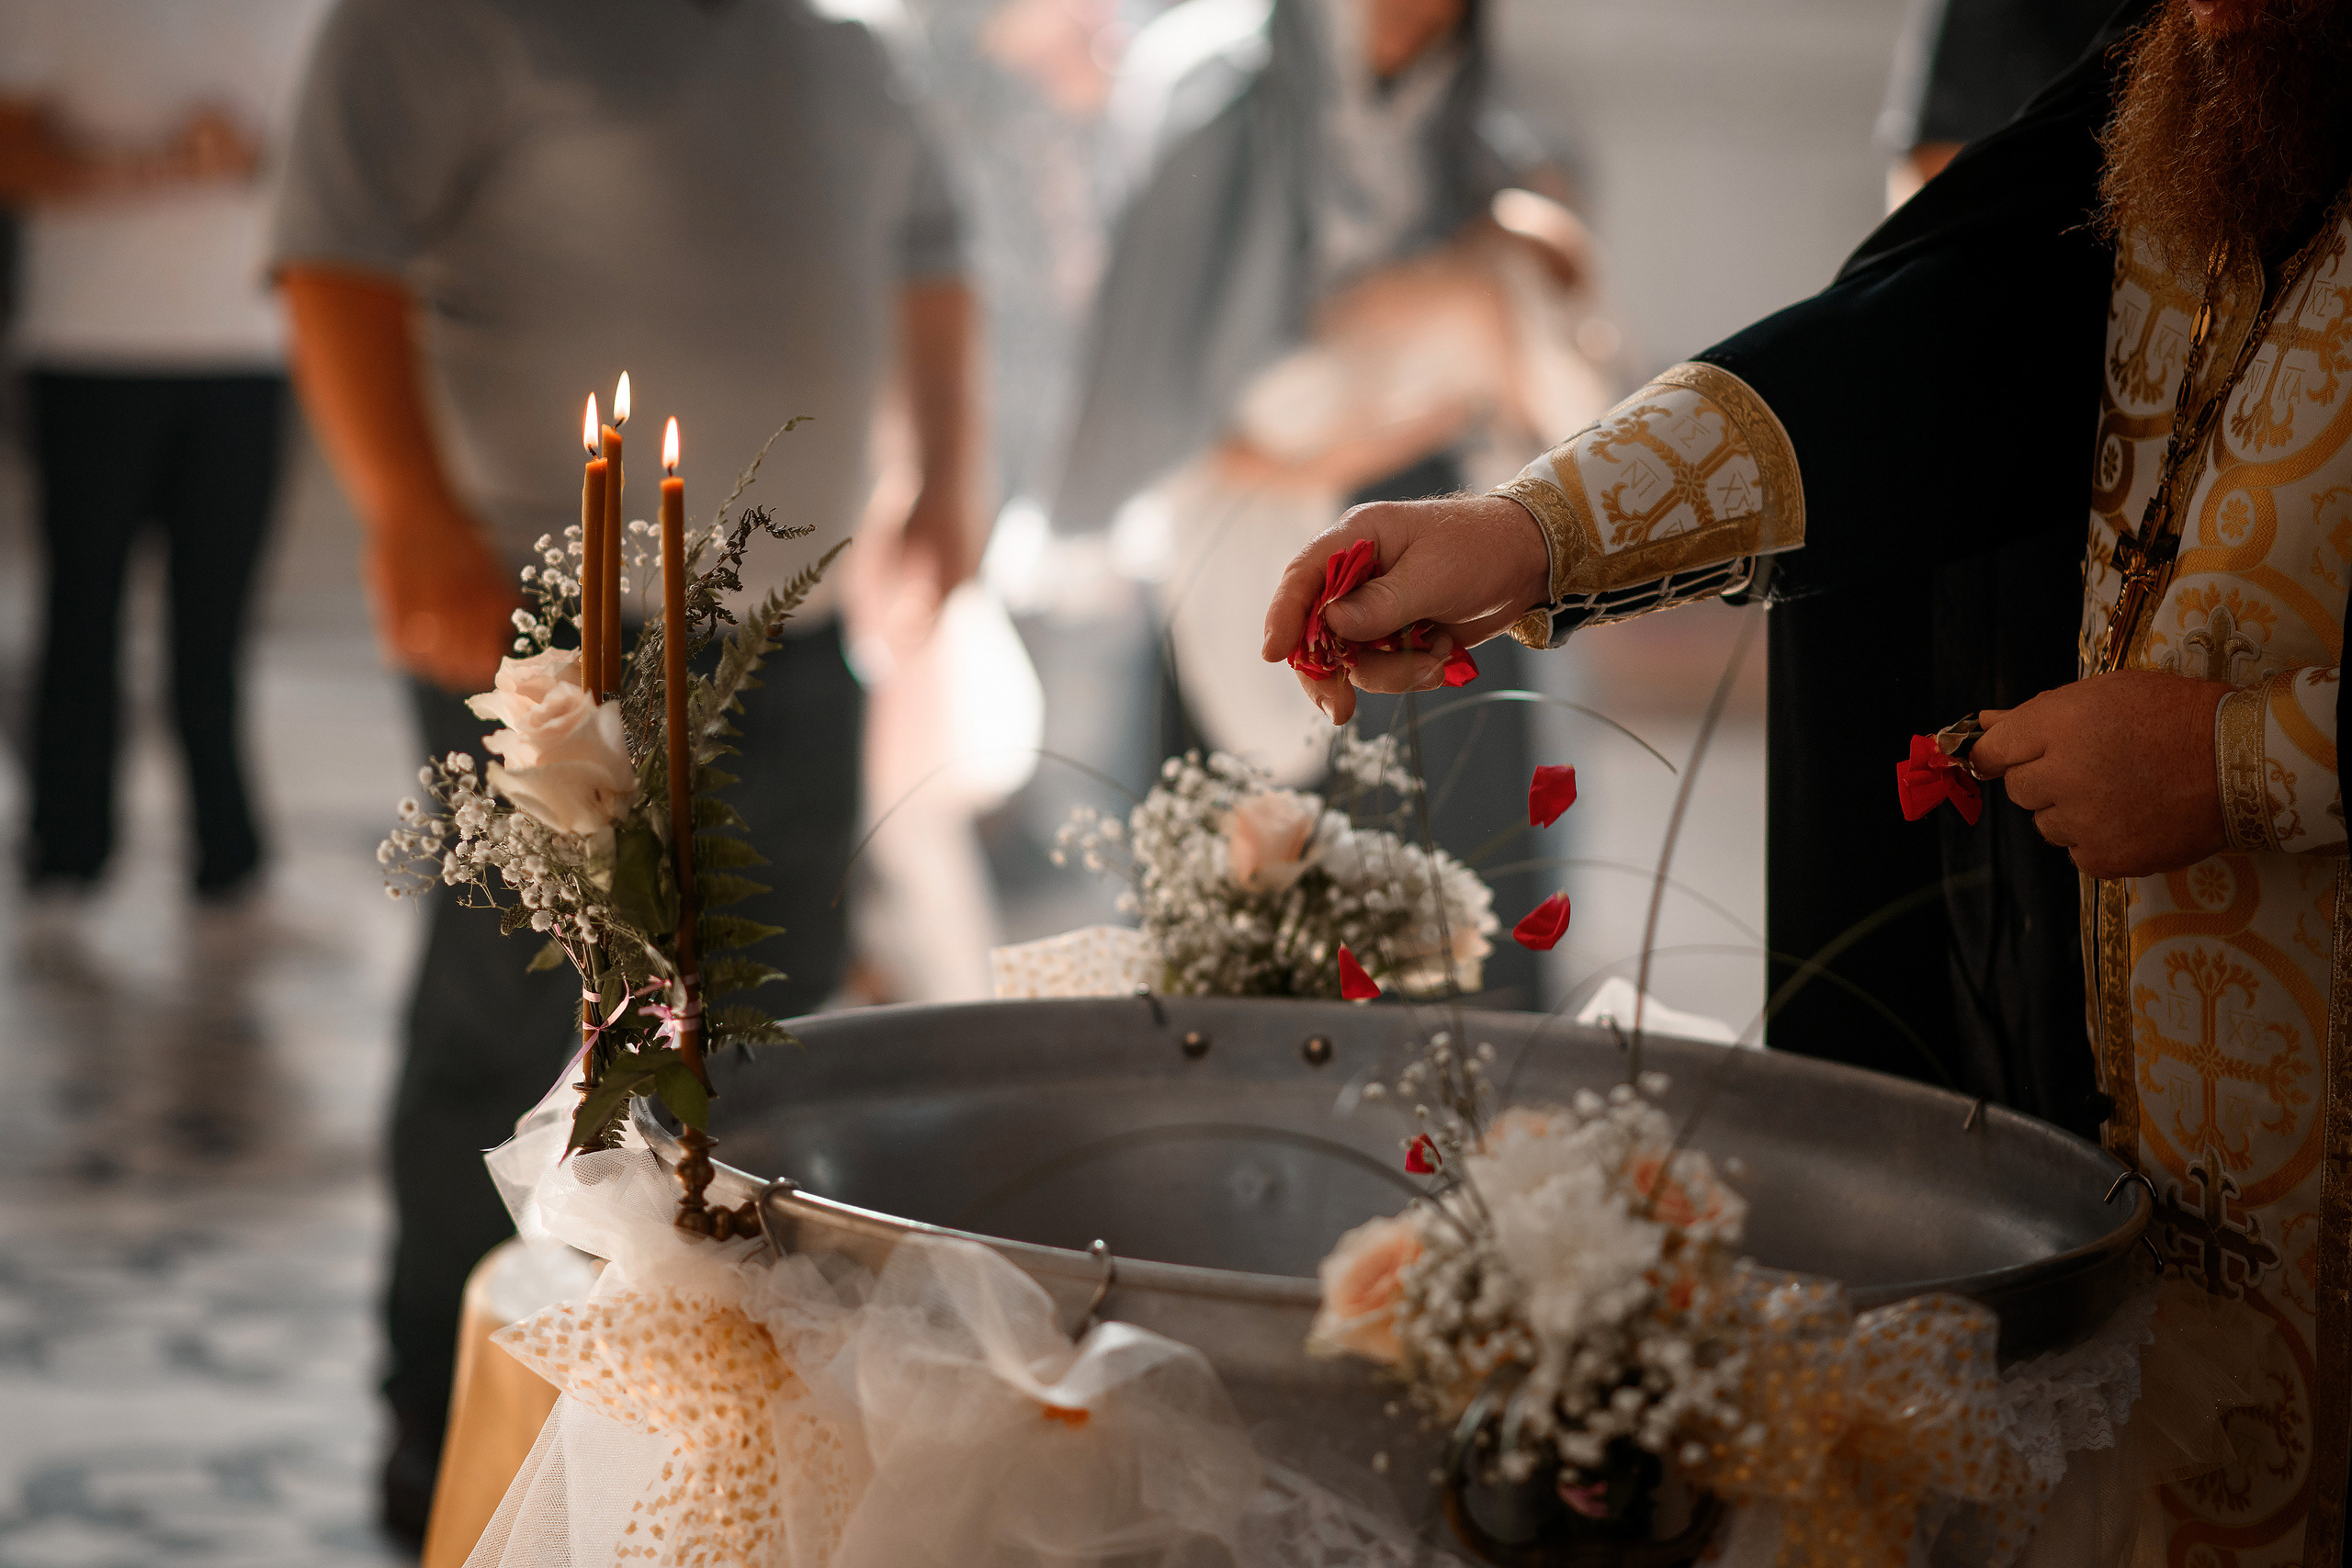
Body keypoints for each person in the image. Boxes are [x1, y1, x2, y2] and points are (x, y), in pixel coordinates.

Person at [1263, 0, 2352, 1557]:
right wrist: (1531, 539)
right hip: (2149, 1145)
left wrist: (2243, 760)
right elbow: (1935, 350)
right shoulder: (2207, 69)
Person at [268, 0, 982, 1539]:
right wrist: (406, 511)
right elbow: (332, 251)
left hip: (790, 630)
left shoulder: (848, 44)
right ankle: (458, 1432)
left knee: (768, 1038)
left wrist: (955, 468)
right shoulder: (428, 25)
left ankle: (720, 1437)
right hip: (543, 615)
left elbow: (929, 244)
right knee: (517, 1022)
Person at [1057, 0, 1611, 1006]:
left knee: (1455, 941)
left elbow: (1561, 364)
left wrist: (1469, 324)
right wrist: (1364, 416)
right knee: (1252, 952)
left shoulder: (1512, 135)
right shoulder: (1210, 108)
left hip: (1451, 571)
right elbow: (1181, 399)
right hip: (1258, 552)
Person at [1, 0, 328, 903]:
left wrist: (244, 158)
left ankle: (227, 855)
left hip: (249, 352)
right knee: (82, 615)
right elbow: (11, 152)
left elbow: (346, 153)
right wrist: (158, 165)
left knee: (215, 630)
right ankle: (65, 850)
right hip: (87, 348)